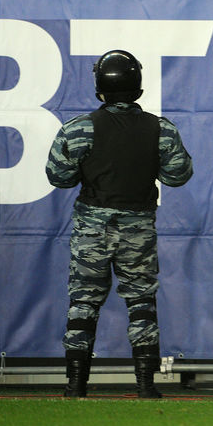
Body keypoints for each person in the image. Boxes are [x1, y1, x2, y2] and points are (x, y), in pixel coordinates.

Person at [46, 50, 193, 398]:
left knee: (83, 303)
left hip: (91, 229)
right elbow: (179, 176)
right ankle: (145, 387)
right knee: (141, 303)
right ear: (138, 87)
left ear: (99, 87)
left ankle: (76, 386)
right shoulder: (161, 129)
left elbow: (59, 177)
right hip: (138, 228)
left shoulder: (79, 128)